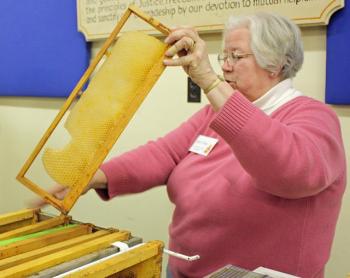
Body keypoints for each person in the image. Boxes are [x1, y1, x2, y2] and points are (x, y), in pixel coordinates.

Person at [35, 12, 346, 278]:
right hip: (185, 268)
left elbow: (291, 170)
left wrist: (210, 82)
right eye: (224, 56)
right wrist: (96, 175)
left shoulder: (314, 117)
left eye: (235, 57)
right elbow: (165, 154)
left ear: (276, 64)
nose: (225, 66)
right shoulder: (216, 111)